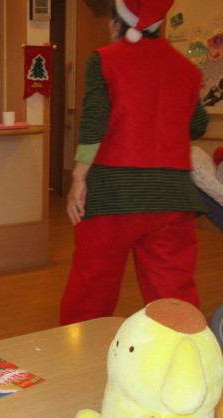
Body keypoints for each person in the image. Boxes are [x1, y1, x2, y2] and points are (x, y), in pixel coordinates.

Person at [59, 0, 209, 326]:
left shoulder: (103, 60)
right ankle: (186, 352)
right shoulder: (186, 68)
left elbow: (95, 120)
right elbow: (198, 124)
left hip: (112, 195)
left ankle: (77, 354)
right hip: (172, 197)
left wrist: (78, 178)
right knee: (175, 296)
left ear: (116, 24)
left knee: (91, 293)